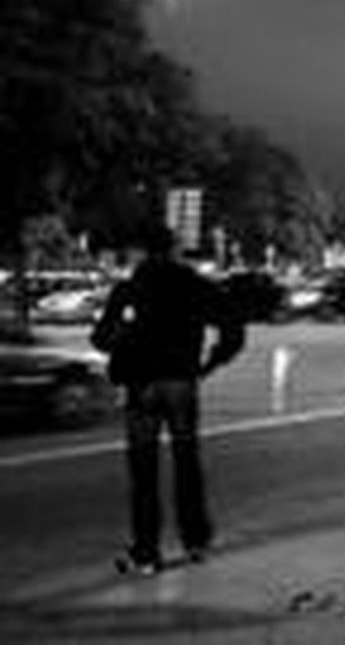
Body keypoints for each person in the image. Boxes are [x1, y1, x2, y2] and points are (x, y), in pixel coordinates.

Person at [91, 225, 245, 574]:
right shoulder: (195, 286)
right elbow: (233, 326)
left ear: (143, 252)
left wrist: (126, 338)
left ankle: (147, 553)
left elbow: (100, 339)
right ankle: (195, 541)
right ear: (174, 250)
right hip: (181, 382)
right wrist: (212, 361)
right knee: (187, 462)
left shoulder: (129, 289)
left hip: (141, 385)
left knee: (143, 472)